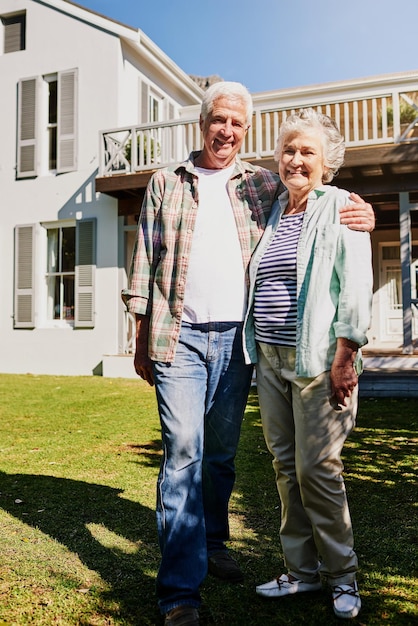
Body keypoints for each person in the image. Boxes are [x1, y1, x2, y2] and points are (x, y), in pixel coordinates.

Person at [122, 83, 375, 626]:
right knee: (197, 457)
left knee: (235, 459)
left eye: (238, 123)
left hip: (248, 345)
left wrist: (365, 214)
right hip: (198, 341)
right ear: (202, 121)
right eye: (219, 119)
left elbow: (335, 226)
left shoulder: (262, 185)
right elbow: (144, 255)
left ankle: (226, 546)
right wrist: (138, 330)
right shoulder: (177, 183)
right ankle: (182, 594)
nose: (227, 131)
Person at [243, 108, 373, 620]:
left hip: (321, 361)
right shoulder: (273, 210)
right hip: (271, 362)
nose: (296, 159)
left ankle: (343, 576)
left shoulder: (341, 206)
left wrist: (348, 355)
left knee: (317, 469)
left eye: (307, 152)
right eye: (289, 150)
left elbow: (355, 287)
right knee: (284, 469)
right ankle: (300, 573)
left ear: (327, 163)